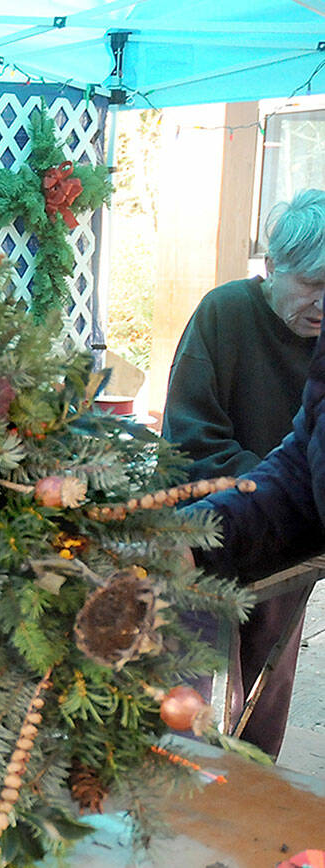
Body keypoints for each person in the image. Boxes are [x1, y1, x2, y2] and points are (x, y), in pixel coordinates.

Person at [164, 188, 325, 756]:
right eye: (312, 282)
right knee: (197, 675)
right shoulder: (225, 311)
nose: (322, 304)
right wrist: (265, 495)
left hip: (290, 530)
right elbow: (190, 436)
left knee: (270, 669)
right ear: (274, 264)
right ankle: (182, 780)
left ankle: (258, 784)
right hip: (212, 520)